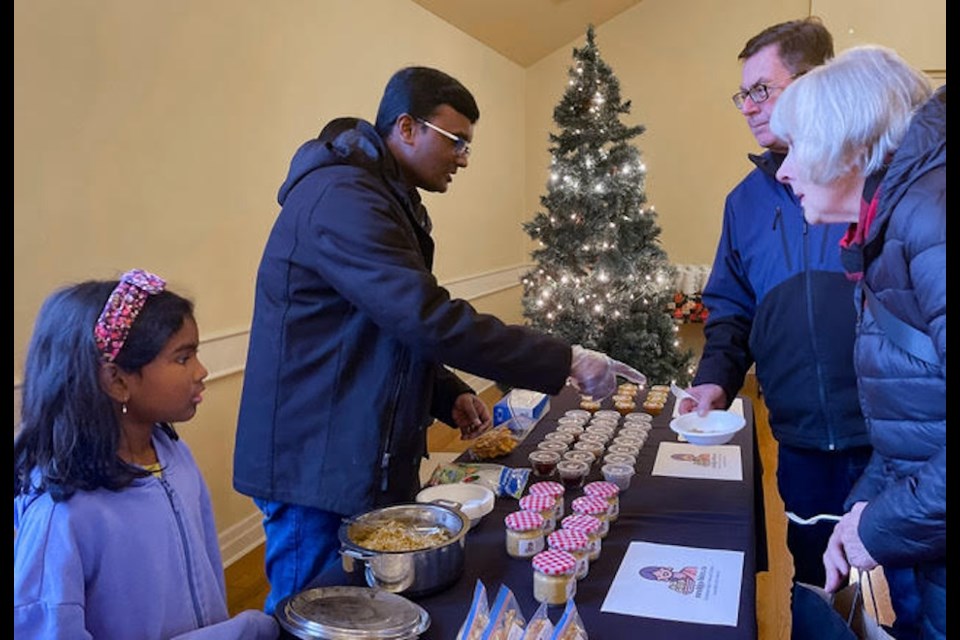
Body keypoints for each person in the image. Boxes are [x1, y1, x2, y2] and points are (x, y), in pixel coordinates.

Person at [234, 66, 645, 613]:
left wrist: (444, 391)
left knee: (363, 607)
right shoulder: (341, 197)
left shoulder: (385, 195)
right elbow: (424, 317)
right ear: (406, 127)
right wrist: (566, 357)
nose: (464, 158)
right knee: (309, 611)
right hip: (314, 460)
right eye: (457, 142)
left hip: (349, 450)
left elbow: (386, 324)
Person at [771, 46, 944, 639]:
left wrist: (878, 525)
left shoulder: (932, 220)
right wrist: (862, 511)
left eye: (795, 146)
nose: (784, 169)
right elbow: (917, 429)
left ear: (847, 144)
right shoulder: (899, 223)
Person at [14, 269, 279, 639]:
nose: (202, 371)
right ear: (117, 381)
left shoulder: (173, 454)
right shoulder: (61, 514)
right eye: (183, 358)